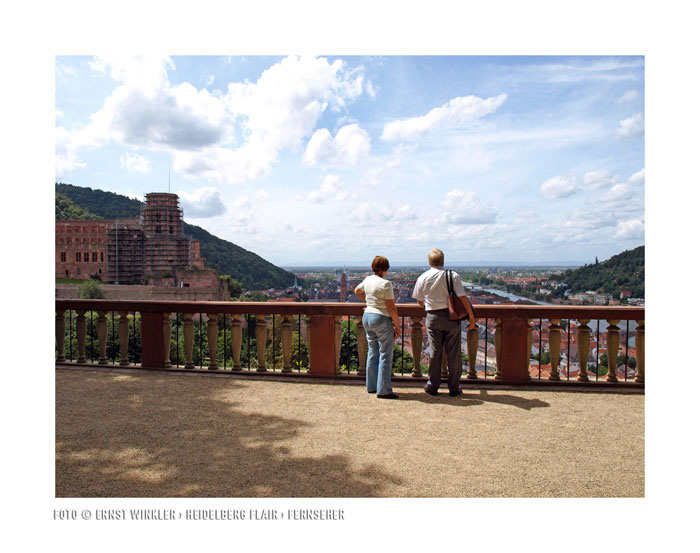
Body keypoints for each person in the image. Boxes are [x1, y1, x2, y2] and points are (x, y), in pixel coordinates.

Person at [412, 248, 476, 396]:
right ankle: (454, 387)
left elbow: (419, 302)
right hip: (451, 317)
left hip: (432, 317)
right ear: (443, 261)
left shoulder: (423, 277)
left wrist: (429, 304)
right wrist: (471, 317)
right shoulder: (452, 275)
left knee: (435, 352)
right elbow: (462, 298)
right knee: (454, 353)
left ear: (429, 262)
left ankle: (432, 385)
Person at [354, 256, 401, 399]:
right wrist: (397, 326)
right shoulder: (386, 284)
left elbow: (357, 290)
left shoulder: (368, 280)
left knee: (373, 351)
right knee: (385, 354)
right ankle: (384, 390)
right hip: (381, 318)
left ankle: (372, 386)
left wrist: (368, 303)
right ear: (386, 269)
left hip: (367, 317)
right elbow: (391, 308)